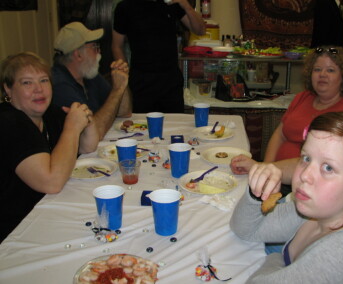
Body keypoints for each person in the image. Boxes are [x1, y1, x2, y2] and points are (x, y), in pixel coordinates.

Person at [230, 112, 343, 283]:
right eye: (306, 158)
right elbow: (245, 229)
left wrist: (275, 259)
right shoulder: (322, 209)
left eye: (328, 168)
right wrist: (256, 193)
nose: (305, 175)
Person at [0, 52, 99, 242]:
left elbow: (88, 146)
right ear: (8, 89)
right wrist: (72, 127)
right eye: (27, 83)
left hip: (44, 213)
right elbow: (51, 182)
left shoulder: (48, 114)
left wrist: (87, 119)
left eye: (44, 80)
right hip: (14, 233)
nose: (38, 89)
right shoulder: (9, 122)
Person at [231, 46, 343, 176]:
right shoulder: (302, 97)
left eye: (330, 70)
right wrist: (265, 166)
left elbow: (319, 161)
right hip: (273, 175)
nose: (322, 74)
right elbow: (279, 134)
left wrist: (264, 169)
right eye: (317, 69)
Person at [112, 0, 206, 113]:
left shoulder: (171, 3)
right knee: (141, 126)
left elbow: (200, 30)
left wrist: (186, 6)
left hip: (170, 80)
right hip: (141, 79)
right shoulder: (125, 7)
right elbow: (116, 46)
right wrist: (124, 74)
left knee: (175, 125)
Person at [52, 21, 131, 140]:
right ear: (78, 55)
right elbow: (94, 134)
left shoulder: (89, 75)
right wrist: (116, 90)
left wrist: (122, 84)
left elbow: (124, 112)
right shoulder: (59, 85)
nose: (99, 52)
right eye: (95, 47)